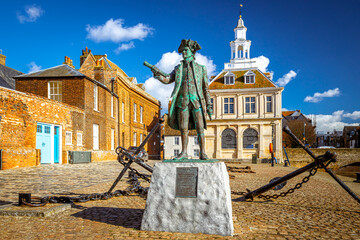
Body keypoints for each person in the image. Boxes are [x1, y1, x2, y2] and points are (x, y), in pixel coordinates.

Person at [153, 39, 213, 160]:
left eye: (186, 50)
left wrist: (209, 106)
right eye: (182, 51)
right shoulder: (178, 68)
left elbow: (205, 89)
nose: (183, 53)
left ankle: (203, 153)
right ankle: (184, 152)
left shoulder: (201, 69)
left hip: (197, 102)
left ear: (192, 51)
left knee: (200, 128)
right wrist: (158, 76)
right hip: (183, 101)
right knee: (183, 128)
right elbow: (168, 79)